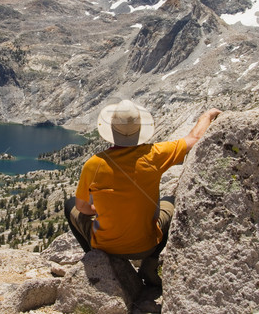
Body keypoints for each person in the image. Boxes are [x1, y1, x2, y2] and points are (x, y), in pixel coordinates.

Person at [64, 99, 222, 285]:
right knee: (171, 202)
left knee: (70, 205)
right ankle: (150, 264)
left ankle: (97, 260)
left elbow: (83, 208)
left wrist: (100, 209)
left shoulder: (94, 164)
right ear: (139, 130)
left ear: (111, 130)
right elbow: (193, 139)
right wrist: (208, 115)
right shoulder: (155, 154)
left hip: (106, 246)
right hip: (147, 245)